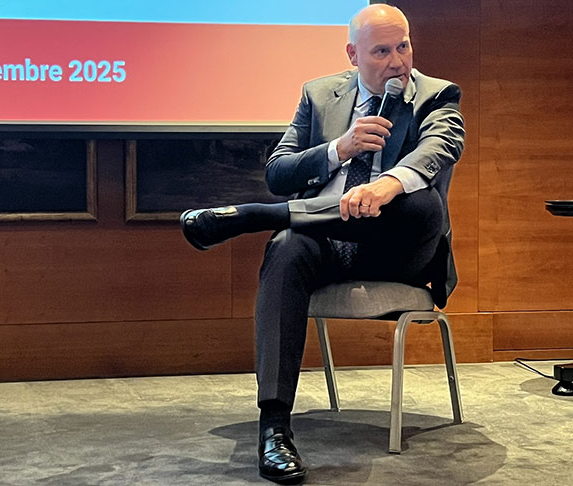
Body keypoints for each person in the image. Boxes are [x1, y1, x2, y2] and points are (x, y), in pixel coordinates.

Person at [180, 4, 464, 484]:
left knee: (422, 203)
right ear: (353, 54)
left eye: (404, 46)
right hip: (327, 241)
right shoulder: (319, 95)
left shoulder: (437, 95)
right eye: (381, 51)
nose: (398, 61)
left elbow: (443, 146)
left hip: (397, 247)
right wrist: (339, 149)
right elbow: (278, 172)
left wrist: (386, 184)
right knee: (286, 247)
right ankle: (274, 429)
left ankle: (254, 217)